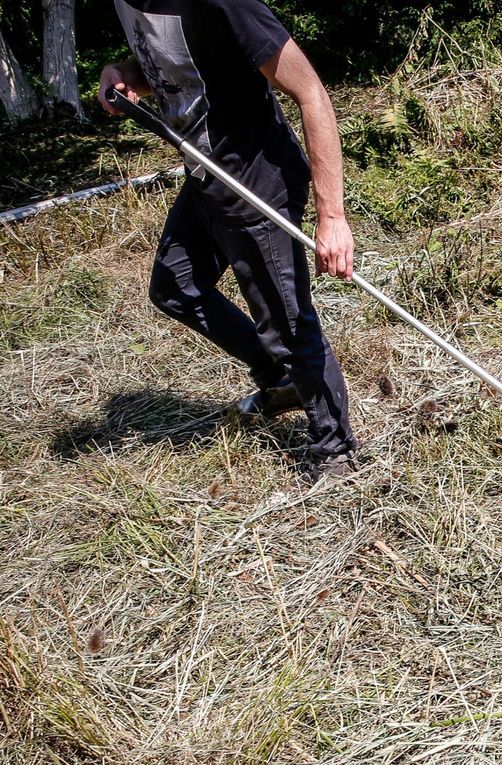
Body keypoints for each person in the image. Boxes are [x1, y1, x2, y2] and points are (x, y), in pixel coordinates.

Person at [98, 0, 359, 481]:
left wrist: (333, 217)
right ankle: (280, 379)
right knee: (176, 285)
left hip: (257, 183)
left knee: (286, 324)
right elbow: (174, 66)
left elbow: (312, 94)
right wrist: (123, 74)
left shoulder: (224, 3)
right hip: (207, 175)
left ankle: (335, 449)